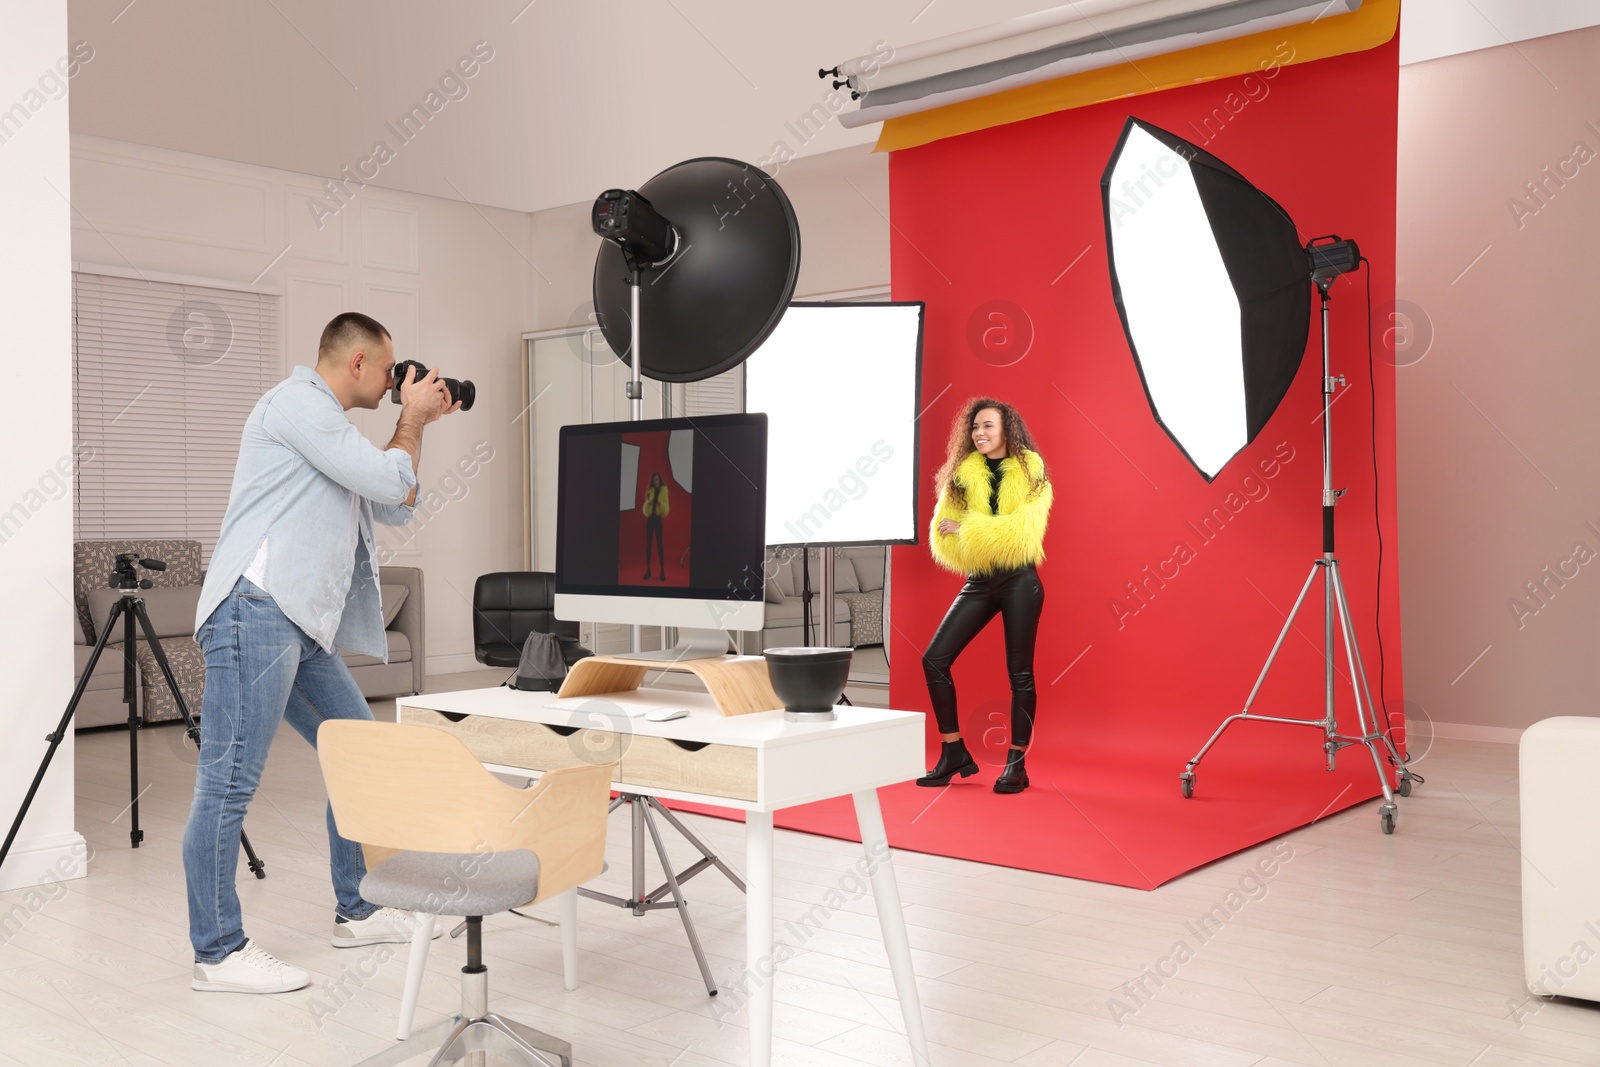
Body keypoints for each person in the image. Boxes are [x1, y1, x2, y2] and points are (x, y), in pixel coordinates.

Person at [183, 312, 458, 993]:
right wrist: (412, 422)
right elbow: (394, 482)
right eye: (391, 371)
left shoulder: (332, 432)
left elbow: (395, 503)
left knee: (356, 755)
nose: (397, 383)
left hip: (297, 625)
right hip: (255, 611)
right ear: (358, 362)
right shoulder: (298, 405)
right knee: (228, 779)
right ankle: (217, 952)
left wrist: (417, 425)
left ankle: (357, 909)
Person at [919, 398, 1053, 794]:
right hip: (980, 579)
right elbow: (943, 540)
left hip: (1019, 580)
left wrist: (967, 529)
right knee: (934, 660)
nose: (980, 433)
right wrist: (962, 534)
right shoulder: (962, 475)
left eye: (988, 426)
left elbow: (1022, 534)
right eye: (975, 427)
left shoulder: (1032, 469)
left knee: (1020, 675)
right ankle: (953, 750)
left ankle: (1017, 763)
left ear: (1006, 429)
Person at [642, 471, 669, 581]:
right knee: (648, 544)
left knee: (659, 544)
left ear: (660, 480)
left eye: (657, 479)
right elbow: (645, 509)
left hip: (658, 519)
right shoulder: (650, 491)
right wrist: (648, 503)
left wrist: (660, 504)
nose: (656, 482)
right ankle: (648, 570)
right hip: (650, 519)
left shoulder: (664, 491)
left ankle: (662, 571)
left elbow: (667, 509)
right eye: (654, 480)